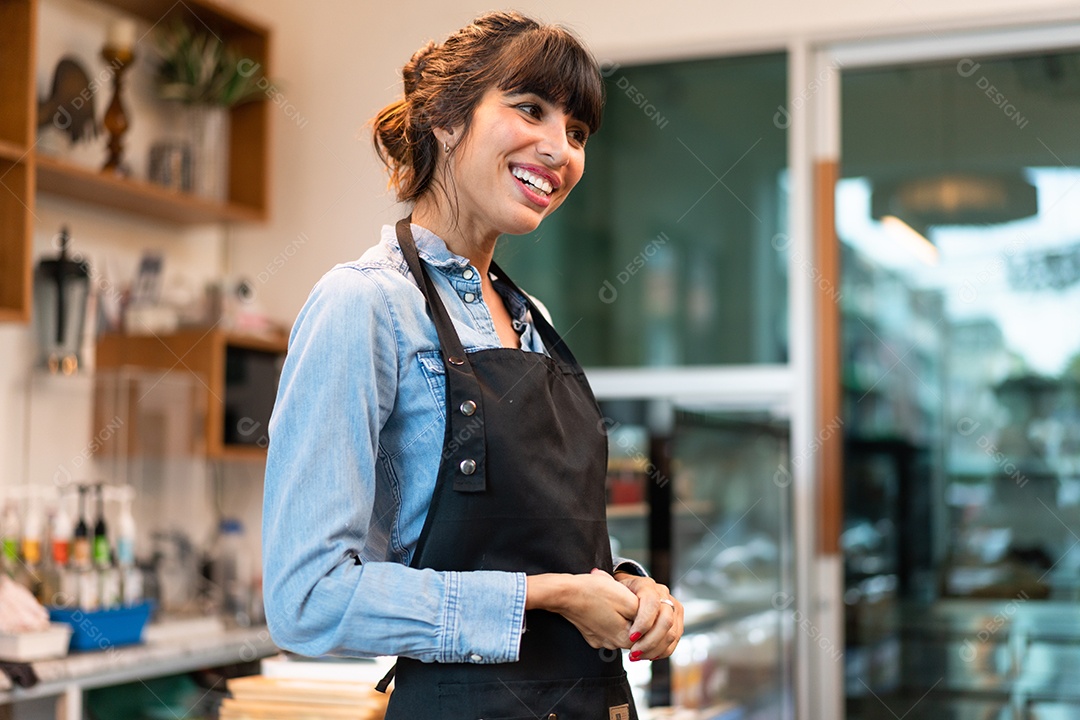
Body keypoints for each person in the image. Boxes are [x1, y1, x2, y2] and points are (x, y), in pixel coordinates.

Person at [262, 11, 683, 718]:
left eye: (577, 132)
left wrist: (627, 591)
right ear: (445, 120)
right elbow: (306, 601)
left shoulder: (534, 320)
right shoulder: (362, 305)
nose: (560, 149)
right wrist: (550, 597)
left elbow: (530, 542)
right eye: (530, 109)